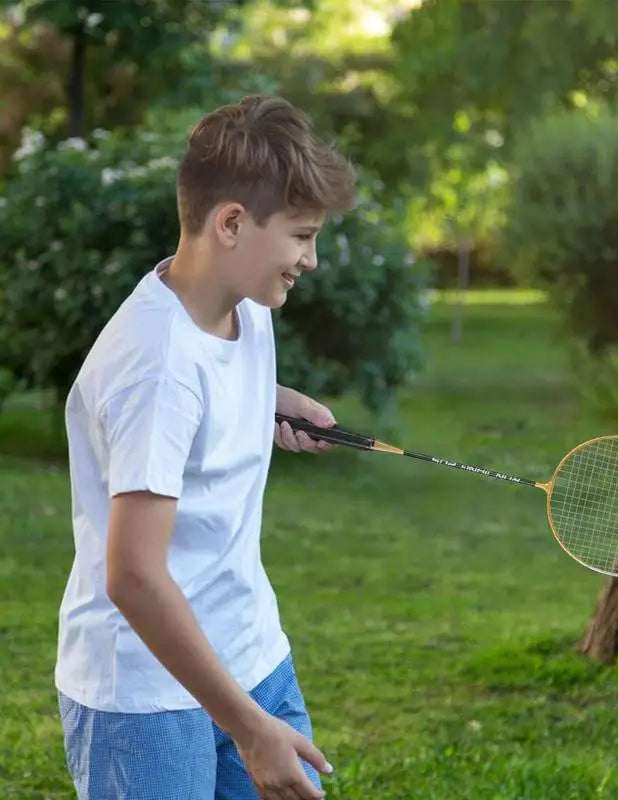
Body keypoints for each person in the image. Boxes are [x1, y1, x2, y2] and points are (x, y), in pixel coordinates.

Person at [54, 94, 356, 800]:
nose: (310, 260)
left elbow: (207, 376)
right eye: (302, 236)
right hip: (149, 698)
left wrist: (274, 401)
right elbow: (133, 576)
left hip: (252, 652)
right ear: (231, 224)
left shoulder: (242, 304)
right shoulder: (154, 367)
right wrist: (250, 729)